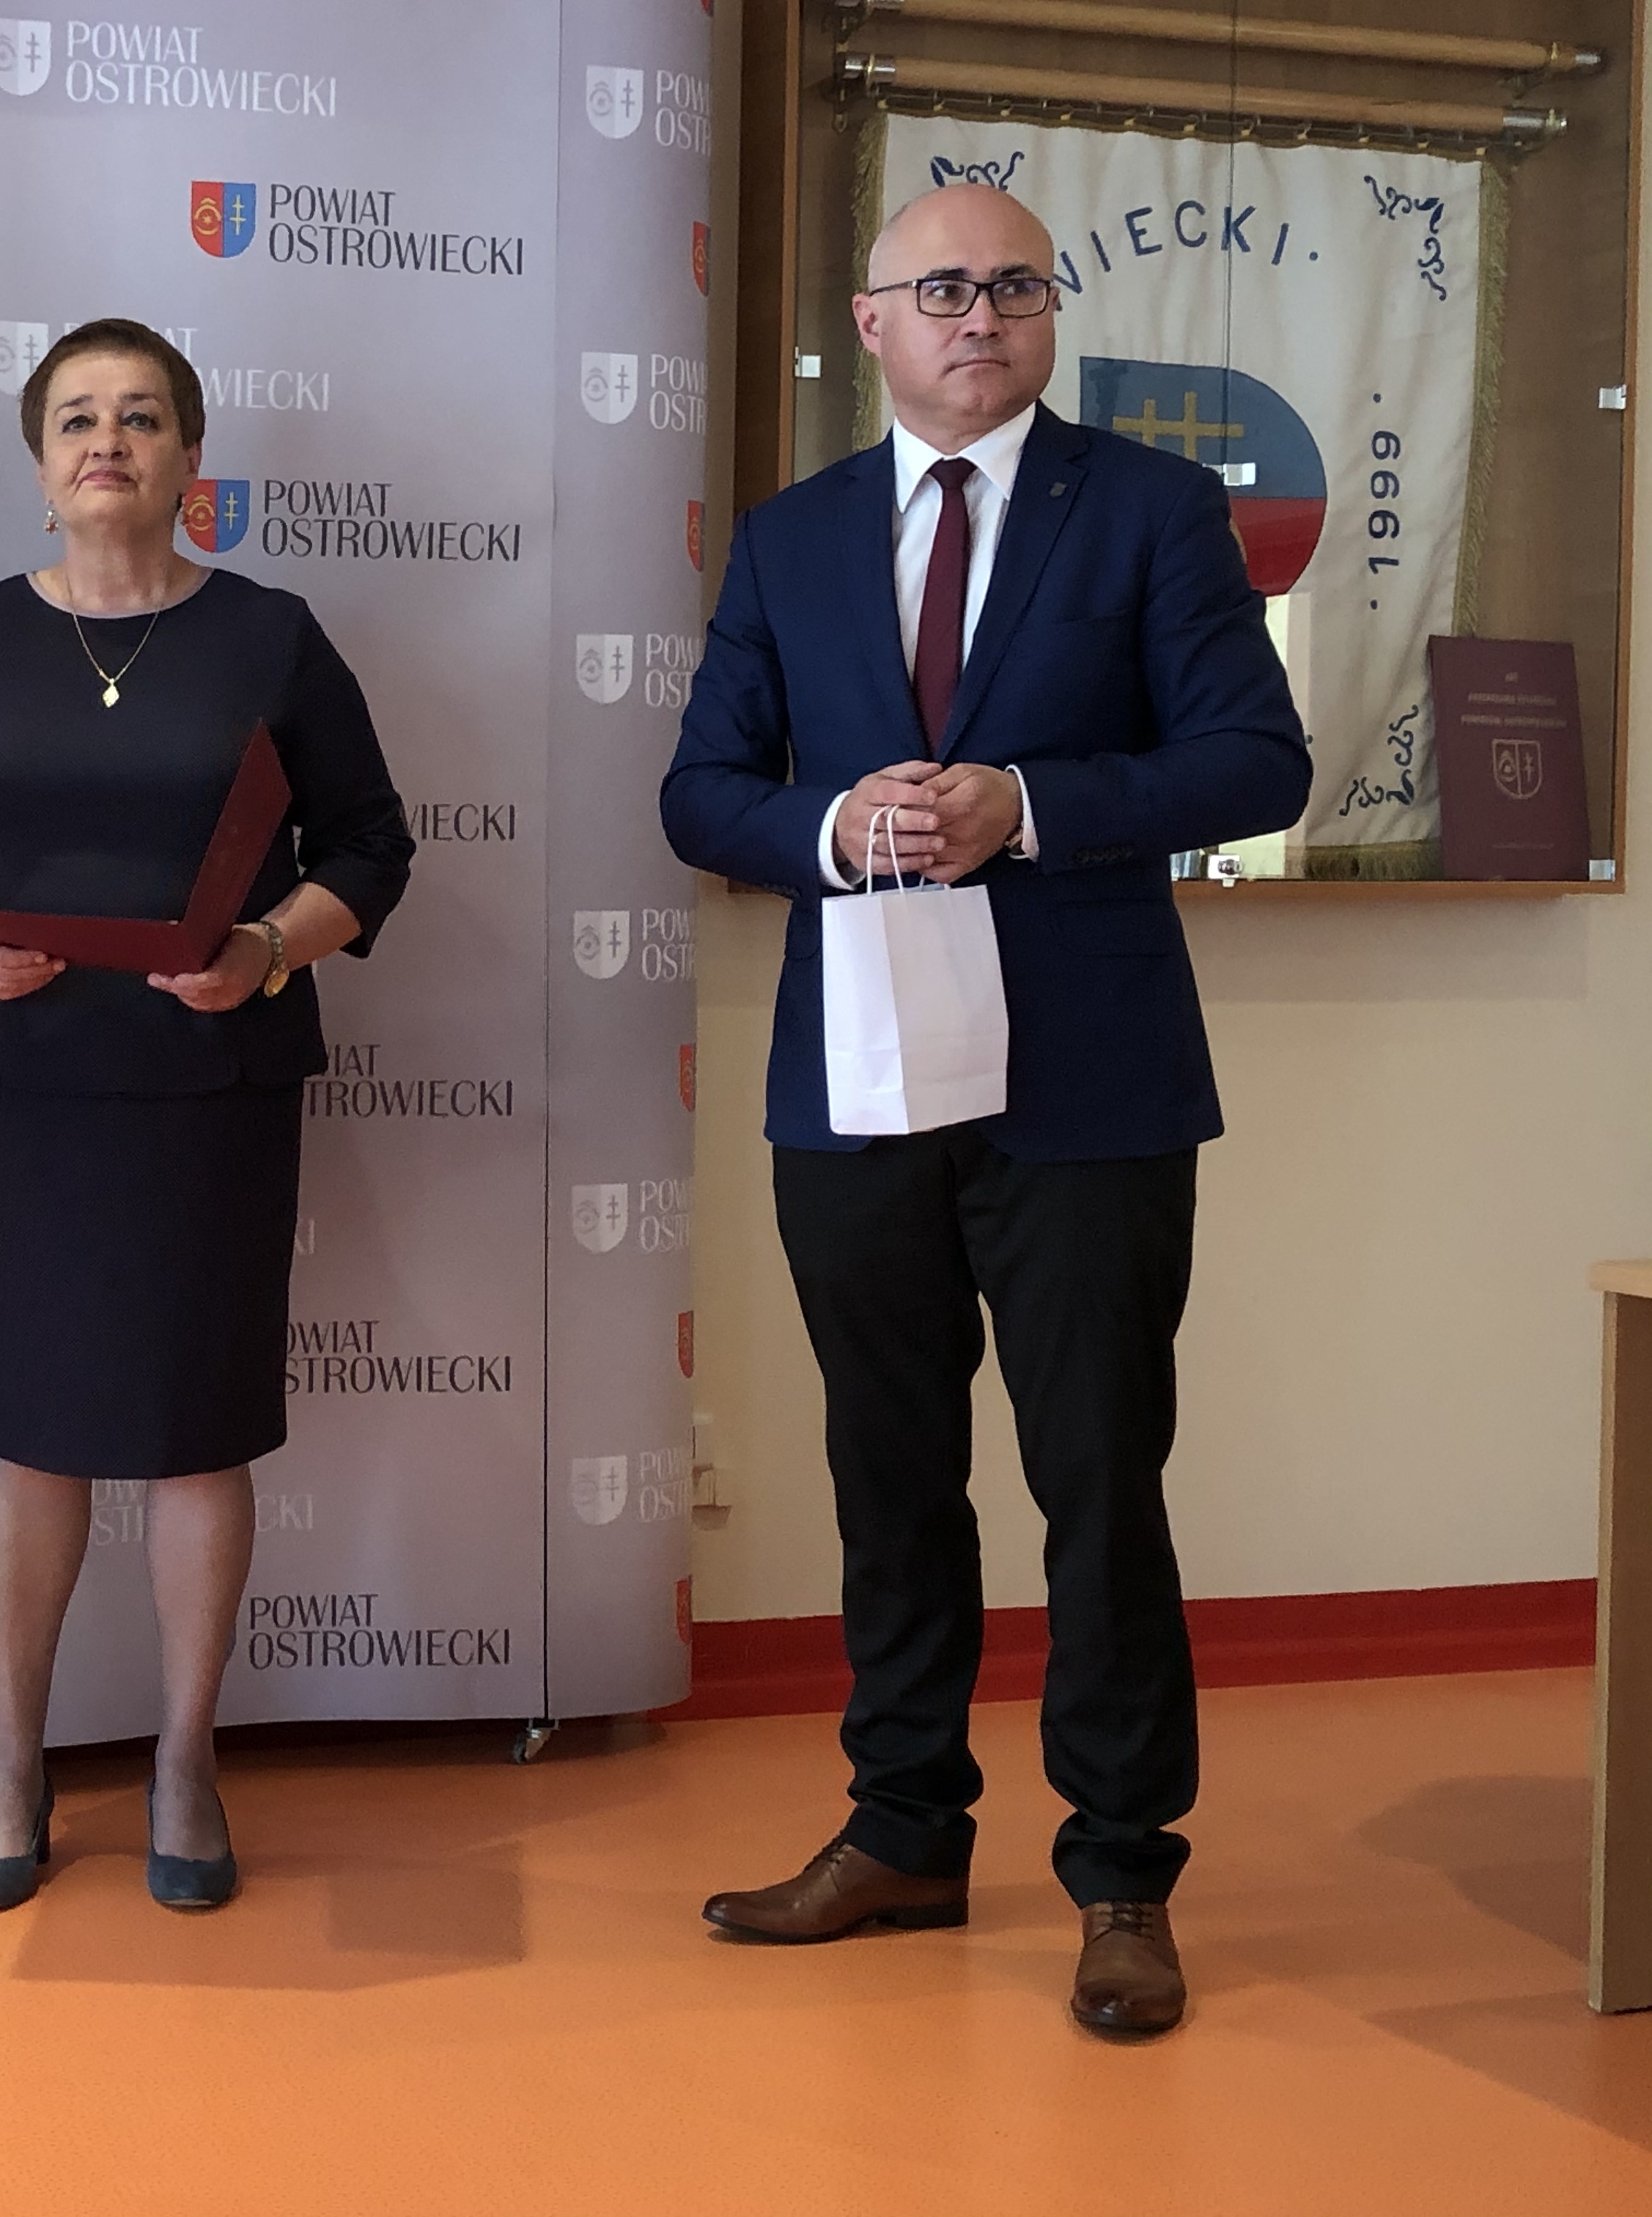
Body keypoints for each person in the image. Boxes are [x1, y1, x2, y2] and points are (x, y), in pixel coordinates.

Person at [659, 184, 1309, 2035]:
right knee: (889, 1473)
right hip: (856, 1079)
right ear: (873, 321)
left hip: (1087, 1081)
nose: (980, 315)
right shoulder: (792, 537)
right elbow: (704, 791)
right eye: (941, 288)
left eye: (1015, 286)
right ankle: (903, 1833)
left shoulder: (1156, 510)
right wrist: (831, 824)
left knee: (1098, 1477)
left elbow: (1256, 760)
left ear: (1048, 316)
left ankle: (1122, 1874)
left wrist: (1027, 805)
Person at [0, 319, 413, 1914]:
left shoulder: (271, 637)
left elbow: (370, 847)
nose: (110, 441)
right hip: (25, 1087)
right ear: (40, 467)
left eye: (144, 416)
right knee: (32, 1434)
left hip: (209, 1090)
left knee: (193, 1431)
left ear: (191, 459)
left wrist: (267, 951)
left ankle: (183, 1757)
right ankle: (13, 1764)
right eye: (79, 419)